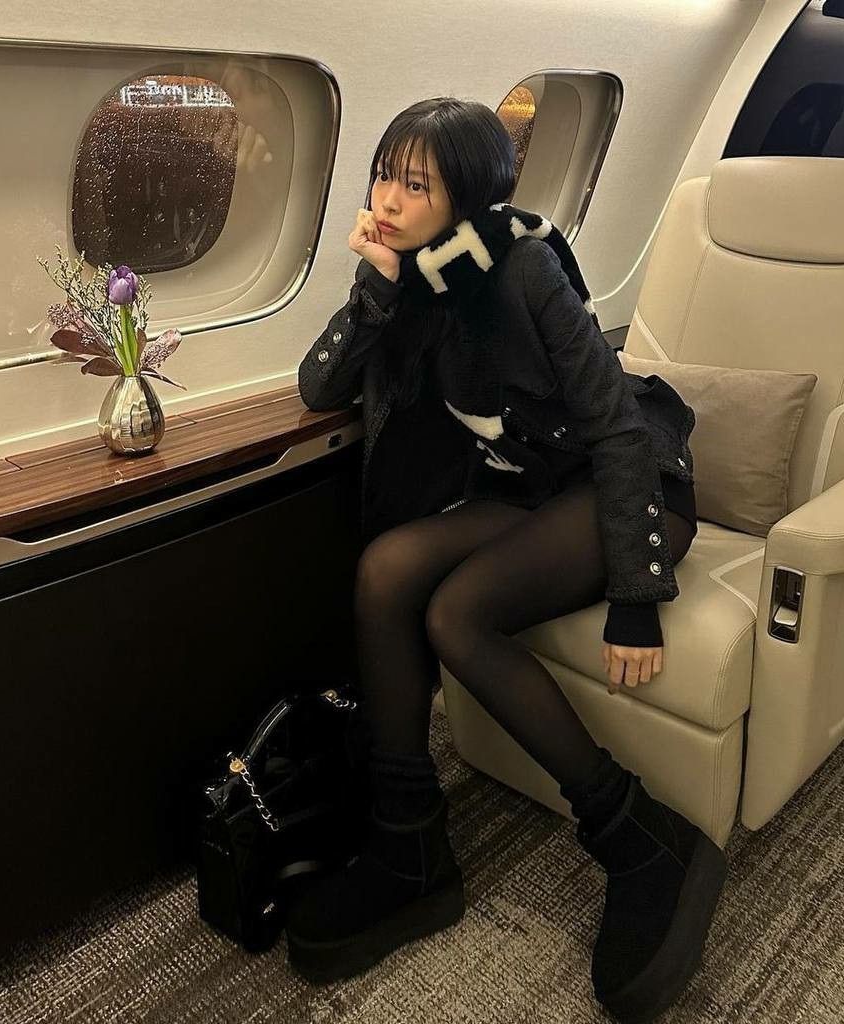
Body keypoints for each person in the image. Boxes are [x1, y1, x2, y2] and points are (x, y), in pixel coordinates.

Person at [289, 97, 726, 1024]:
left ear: (469, 196)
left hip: (624, 482)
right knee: (386, 570)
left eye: (417, 184)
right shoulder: (407, 278)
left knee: (458, 614)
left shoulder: (522, 265)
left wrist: (638, 594)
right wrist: (373, 288)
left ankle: (639, 839)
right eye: (384, 175)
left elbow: (616, 427)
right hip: (531, 489)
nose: (388, 200)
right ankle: (409, 842)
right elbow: (318, 385)